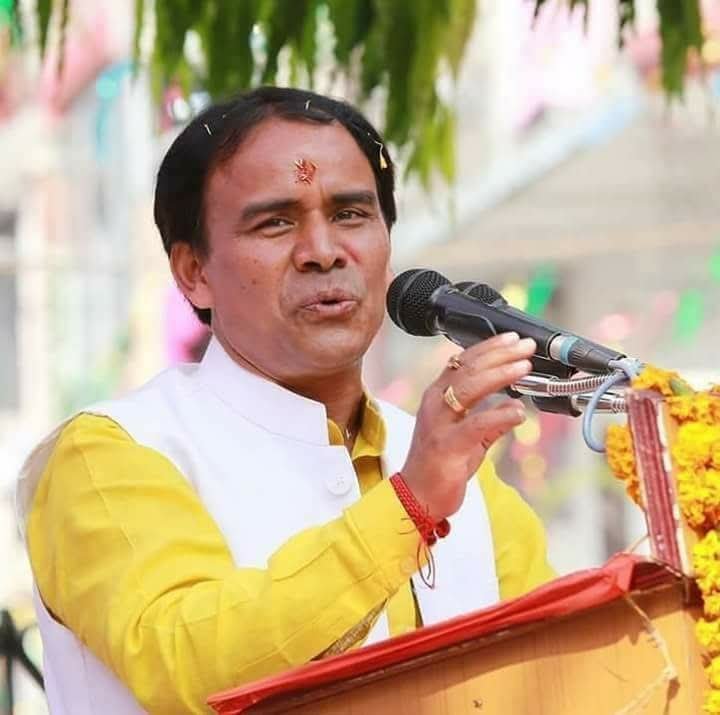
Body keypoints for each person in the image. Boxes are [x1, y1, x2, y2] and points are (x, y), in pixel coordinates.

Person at [17, 87, 554, 715]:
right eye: (275, 222)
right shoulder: (110, 454)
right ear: (193, 272)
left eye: (350, 214)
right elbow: (194, 669)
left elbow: (565, 674)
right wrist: (410, 506)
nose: (323, 252)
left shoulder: (459, 473)